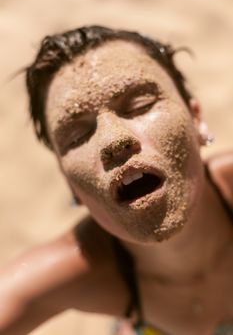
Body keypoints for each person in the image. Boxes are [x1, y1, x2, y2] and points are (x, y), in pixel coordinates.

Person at [0, 25, 232, 335]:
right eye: (78, 136)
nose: (113, 141)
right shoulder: (80, 268)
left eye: (141, 105)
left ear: (196, 119)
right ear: (70, 183)